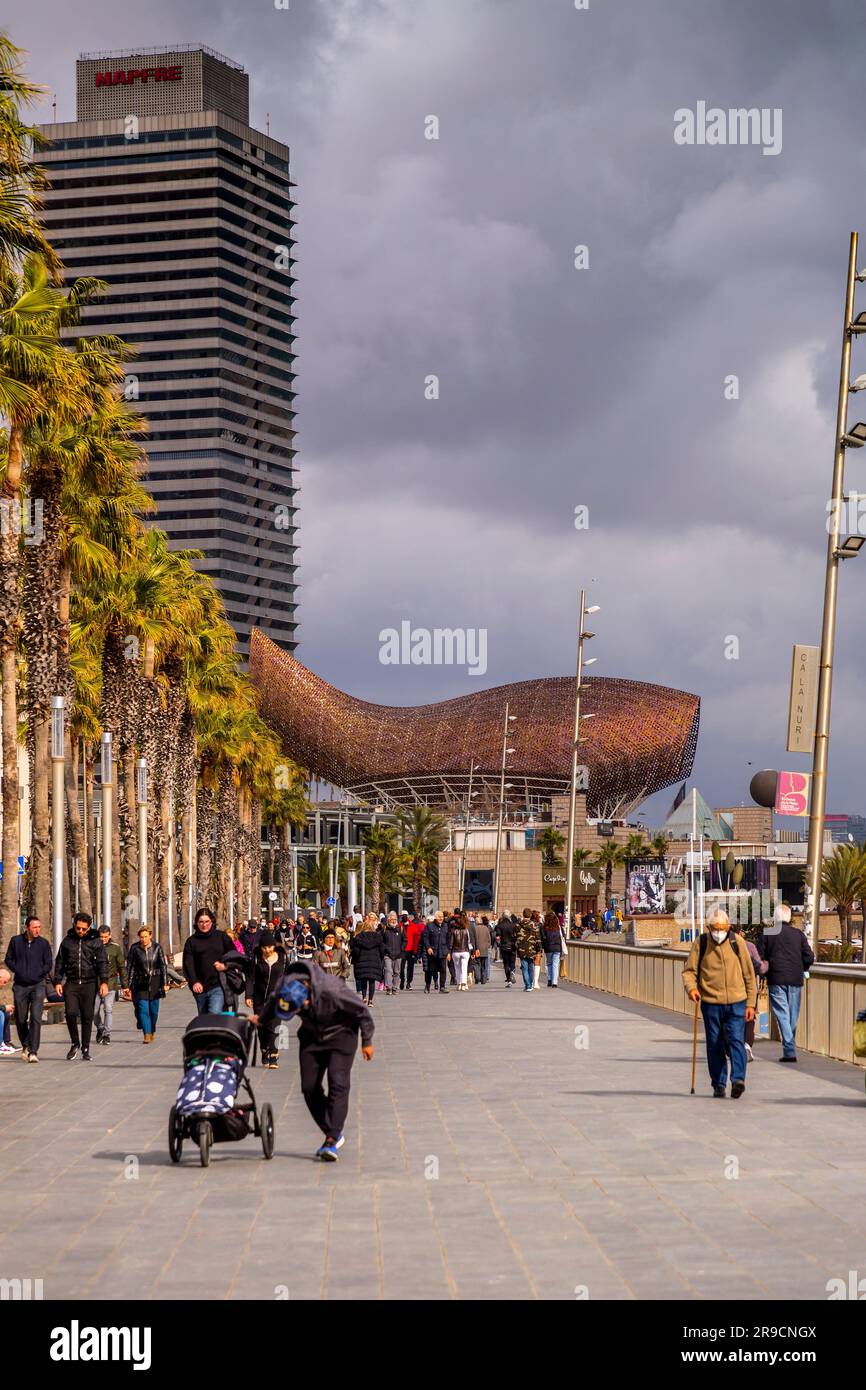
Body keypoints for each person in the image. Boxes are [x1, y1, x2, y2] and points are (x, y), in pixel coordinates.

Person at [253, 957, 374, 1162]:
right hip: (311, 1037)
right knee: (309, 1087)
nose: (298, 1012)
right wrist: (261, 1020)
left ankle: (331, 1139)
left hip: (341, 1036)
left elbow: (362, 1011)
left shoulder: (332, 990)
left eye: (299, 1008)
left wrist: (367, 1041)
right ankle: (333, 1130)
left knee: (338, 1083)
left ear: (308, 995)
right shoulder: (285, 986)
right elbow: (273, 1002)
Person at [682, 907, 756, 1098]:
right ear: (708, 927)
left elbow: (749, 975)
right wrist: (692, 989)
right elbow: (689, 971)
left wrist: (751, 1004)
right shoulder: (702, 943)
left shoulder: (737, 942)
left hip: (737, 1001)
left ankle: (738, 1079)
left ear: (728, 927)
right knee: (714, 1043)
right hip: (710, 1001)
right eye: (715, 928)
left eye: (722, 928)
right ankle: (719, 1083)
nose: (718, 932)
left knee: (736, 1040)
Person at [759, 903, 814, 1063]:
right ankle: (789, 1048)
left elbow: (759, 957)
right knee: (792, 1016)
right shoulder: (798, 934)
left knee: (782, 1014)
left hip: (776, 978)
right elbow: (809, 956)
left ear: (774, 918)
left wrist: (763, 971)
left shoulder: (767, 934)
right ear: (789, 917)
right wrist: (803, 967)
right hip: (796, 979)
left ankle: (789, 1050)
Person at [54, 911, 109, 1061]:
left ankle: (85, 1047)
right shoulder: (67, 941)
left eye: (84, 929)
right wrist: (58, 981)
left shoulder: (96, 941)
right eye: (78, 928)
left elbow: (102, 962)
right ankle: (74, 1043)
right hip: (71, 982)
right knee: (70, 1013)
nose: (80, 931)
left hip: (89, 983)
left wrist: (104, 982)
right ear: (74, 925)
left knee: (87, 1016)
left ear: (89, 927)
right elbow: (60, 962)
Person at [4, 914, 53, 1063]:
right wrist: (19, 970)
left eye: (39, 927)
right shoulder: (16, 941)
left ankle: (33, 1051)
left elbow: (48, 963)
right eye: (34, 927)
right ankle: (26, 1044)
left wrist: (40, 973)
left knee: (36, 1018)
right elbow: (8, 959)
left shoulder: (43, 943)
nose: (37, 930)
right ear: (27, 928)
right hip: (20, 985)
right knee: (20, 1018)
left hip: (38, 985)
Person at [245, 929, 287, 1068]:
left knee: (274, 1026)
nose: (267, 950)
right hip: (259, 998)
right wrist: (248, 995)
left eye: (269, 947)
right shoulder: (256, 958)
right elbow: (250, 979)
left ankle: (274, 1055)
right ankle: (264, 1049)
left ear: (274, 946)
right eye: (264, 947)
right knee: (262, 1027)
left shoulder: (283, 957)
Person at [182, 907, 233, 1014]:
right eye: (201, 922)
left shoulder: (221, 937)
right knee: (204, 1020)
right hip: (199, 987)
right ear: (196, 923)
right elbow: (188, 964)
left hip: (218, 984)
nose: (204, 925)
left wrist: (226, 966)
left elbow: (234, 955)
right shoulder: (191, 941)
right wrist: (194, 981)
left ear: (212, 921)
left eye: (207, 921)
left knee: (214, 1013)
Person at [731, 921, 768, 1061]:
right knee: (749, 1017)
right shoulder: (750, 946)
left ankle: (734, 1046)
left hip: (731, 989)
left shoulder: (721, 946)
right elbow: (761, 968)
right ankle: (746, 1046)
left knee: (731, 1018)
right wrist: (767, 964)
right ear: (740, 932)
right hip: (749, 988)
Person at [125, 925, 168, 1042]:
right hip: (140, 982)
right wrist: (128, 985)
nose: (143, 939)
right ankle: (147, 1033)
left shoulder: (157, 947)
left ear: (150, 936)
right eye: (141, 937)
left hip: (155, 982)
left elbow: (163, 966)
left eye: (145, 937)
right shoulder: (135, 949)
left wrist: (165, 983)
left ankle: (151, 1029)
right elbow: (131, 967)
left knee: (153, 1010)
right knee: (143, 1008)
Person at [95, 923, 127, 1045]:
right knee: (94, 1012)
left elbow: (121, 967)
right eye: (101, 937)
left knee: (108, 1009)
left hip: (111, 983)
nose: (103, 939)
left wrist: (125, 985)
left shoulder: (115, 948)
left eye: (105, 937)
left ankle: (107, 1034)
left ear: (109, 936)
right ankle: (100, 1027)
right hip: (95, 984)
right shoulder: (93, 947)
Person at [350, 913, 385, 1004]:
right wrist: (380, 958)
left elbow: (356, 951)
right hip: (374, 961)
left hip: (362, 961)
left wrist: (356, 960)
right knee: (372, 981)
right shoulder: (378, 937)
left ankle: (364, 997)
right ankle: (370, 1000)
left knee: (363, 980)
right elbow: (382, 950)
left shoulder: (359, 937)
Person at [421, 911, 451, 994]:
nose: (441, 918)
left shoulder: (446, 926)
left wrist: (448, 951)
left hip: (443, 952)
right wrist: (428, 947)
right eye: (439, 917)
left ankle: (442, 987)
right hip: (432, 952)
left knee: (443, 970)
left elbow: (449, 939)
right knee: (430, 970)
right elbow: (425, 937)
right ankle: (427, 986)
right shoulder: (429, 926)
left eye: (442, 917)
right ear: (435, 917)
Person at [516, 912, 542, 992]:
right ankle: (530, 984)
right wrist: (539, 948)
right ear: (530, 915)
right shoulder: (534, 925)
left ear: (523, 915)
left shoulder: (518, 925)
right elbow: (538, 937)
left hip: (521, 949)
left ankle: (527, 985)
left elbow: (514, 936)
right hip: (532, 949)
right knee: (531, 966)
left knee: (524, 967)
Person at [540, 909, 564, 988]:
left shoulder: (544, 927)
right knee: (555, 964)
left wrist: (543, 947)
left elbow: (543, 938)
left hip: (548, 947)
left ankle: (549, 979)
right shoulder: (558, 927)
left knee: (549, 963)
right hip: (557, 947)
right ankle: (555, 982)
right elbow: (562, 936)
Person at [382, 912, 405, 995]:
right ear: (388, 920)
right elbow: (382, 941)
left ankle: (394, 988)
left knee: (397, 972)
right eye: (391, 919)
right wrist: (385, 949)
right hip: (387, 954)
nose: (393, 920)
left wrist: (401, 949)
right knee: (388, 970)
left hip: (398, 954)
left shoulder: (401, 928)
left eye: (395, 919)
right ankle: (388, 987)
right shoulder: (385, 929)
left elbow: (405, 940)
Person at [401, 912, 424, 990]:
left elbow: (416, 939)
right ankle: (402, 980)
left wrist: (415, 951)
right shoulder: (399, 926)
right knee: (401, 967)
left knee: (410, 967)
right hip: (402, 950)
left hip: (411, 949)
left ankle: (408, 982)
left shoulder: (413, 926)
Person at [450, 913, 472, 990]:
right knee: (464, 967)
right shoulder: (466, 930)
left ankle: (459, 983)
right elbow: (469, 941)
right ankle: (464, 983)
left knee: (457, 968)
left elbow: (451, 943)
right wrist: (471, 951)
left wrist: (449, 952)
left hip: (455, 951)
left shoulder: (453, 931)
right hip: (465, 951)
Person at [497, 913, 518, 986]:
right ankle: (512, 970)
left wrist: (498, 943)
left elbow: (498, 937)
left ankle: (509, 980)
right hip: (512, 946)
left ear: (502, 917)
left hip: (504, 946)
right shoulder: (514, 925)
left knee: (506, 963)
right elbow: (517, 935)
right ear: (509, 916)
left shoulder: (500, 925)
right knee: (512, 961)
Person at [471, 915, 492, 984]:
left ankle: (477, 978)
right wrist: (487, 946)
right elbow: (489, 939)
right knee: (484, 965)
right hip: (485, 950)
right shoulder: (486, 928)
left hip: (477, 949)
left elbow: (473, 940)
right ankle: (484, 979)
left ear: (476, 922)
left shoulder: (474, 928)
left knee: (477, 964)